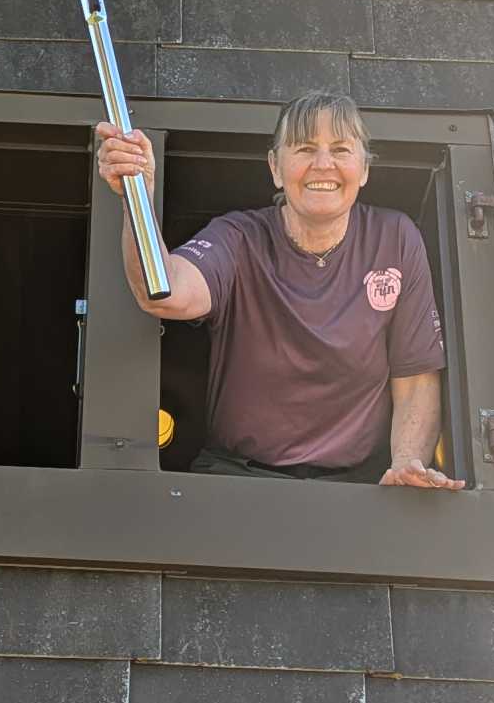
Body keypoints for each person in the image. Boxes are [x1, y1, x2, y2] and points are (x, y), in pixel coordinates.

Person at [95, 90, 464, 490]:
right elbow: (165, 293)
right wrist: (138, 194)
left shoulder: (395, 238)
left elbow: (416, 377)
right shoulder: (238, 237)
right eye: (305, 148)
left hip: (358, 487)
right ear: (275, 167)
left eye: (340, 149)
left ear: (364, 168)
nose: (323, 164)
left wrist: (407, 464)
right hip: (238, 479)